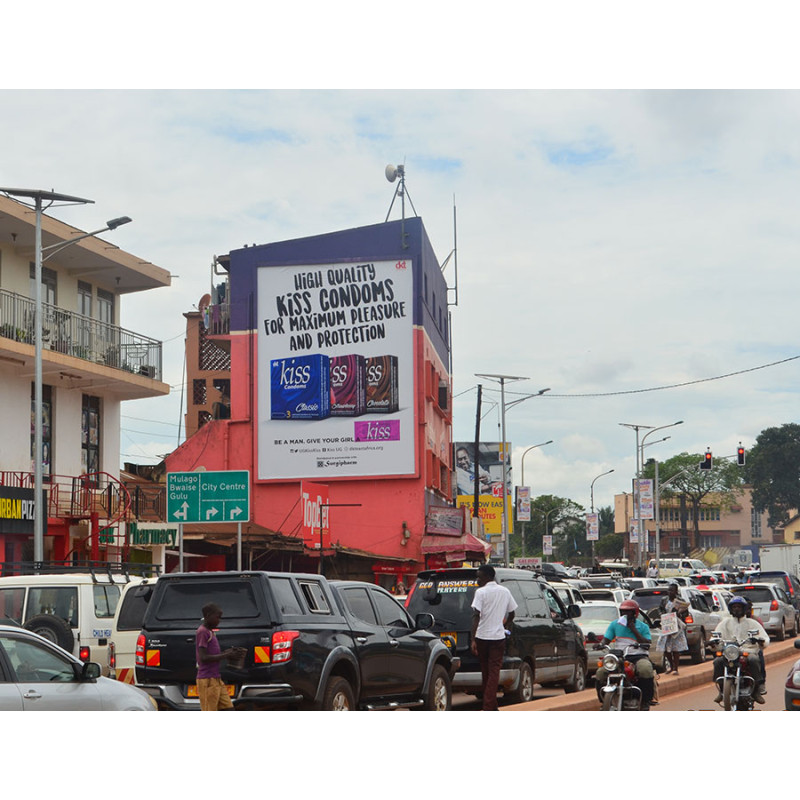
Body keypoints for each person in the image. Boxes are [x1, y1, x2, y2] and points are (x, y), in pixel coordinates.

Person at [470, 564, 517, 710]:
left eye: (479, 577)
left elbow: (476, 616)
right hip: (497, 637)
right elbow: (512, 613)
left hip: (482, 636)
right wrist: (504, 625)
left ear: (487, 577)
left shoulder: (480, 592)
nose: (477, 580)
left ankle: (488, 705)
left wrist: (473, 639)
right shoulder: (505, 591)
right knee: (493, 671)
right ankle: (491, 705)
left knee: (487, 671)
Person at [594, 598, 655, 708]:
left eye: (628, 612)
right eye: (623, 611)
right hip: (619, 657)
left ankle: (646, 700)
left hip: (638, 656)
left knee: (645, 669)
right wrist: (601, 644)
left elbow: (647, 642)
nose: (625, 614)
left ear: (635, 613)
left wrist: (633, 629)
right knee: (600, 672)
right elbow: (606, 639)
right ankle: (604, 701)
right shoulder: (615, 624)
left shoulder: (643, 626)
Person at [711, 595, 769, 705]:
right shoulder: (724, 623)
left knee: (753, 660)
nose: (736, 609)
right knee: (717, 661)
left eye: (739, 607)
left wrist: (760, 641)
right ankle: (722, 690)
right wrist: (713, 642)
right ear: (730, 609)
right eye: (734, 607)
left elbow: (764, 638)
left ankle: (756, 690)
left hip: (748, 651)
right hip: (730, 652)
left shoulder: (753, 623)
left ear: (744, 608)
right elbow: (716, 637)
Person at [195, 603, 245, 711]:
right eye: (217, 617)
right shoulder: (203, 632)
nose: (219, 620)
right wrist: (226, 655)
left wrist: (228, 652)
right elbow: (203, 657)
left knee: (228, 708)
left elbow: (212, 653)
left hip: (216, 679)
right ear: (208, 616)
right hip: (207, 680)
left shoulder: (210, 632)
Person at [656, 583, 689, 674]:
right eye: (668, 590)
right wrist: (661, 615)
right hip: (667, 624)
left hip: (676, 625)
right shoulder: (664, 600)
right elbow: (660, 609)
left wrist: (679, 613)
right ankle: (671, 665)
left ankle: (676, 668)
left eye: (672, 590)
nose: (670, 592)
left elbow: (686, 613)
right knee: (665, 647)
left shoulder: (680, 600)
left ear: (676, 591)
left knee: (675, 649)